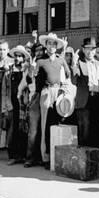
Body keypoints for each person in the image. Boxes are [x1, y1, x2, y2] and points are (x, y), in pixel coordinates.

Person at [36, 33, 71, 168]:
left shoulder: (60, 60)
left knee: (57, 123)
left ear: (57, 47)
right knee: (45, 125)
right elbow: (34, 79)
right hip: (46, 91)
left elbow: (68, 74)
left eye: (54, 44)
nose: (51, 46)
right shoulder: (40, 61)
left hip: (58, 92)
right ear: (46, 45)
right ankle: (45, 157)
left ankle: (57, 155)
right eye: (49, 43)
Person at [2, 45, 31, 165]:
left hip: (23, 104)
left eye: (20, 56)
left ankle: (22, 155)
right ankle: (12, 156)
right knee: (12, 130)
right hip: (12, 104)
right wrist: (5, 106)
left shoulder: (26, 71)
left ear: (24, 58)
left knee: (23, 129)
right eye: (16, 56)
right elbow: (4, 90)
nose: (18, 58)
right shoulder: (8, 71)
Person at [72, 37, 99, 148]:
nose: (90, 51)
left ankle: (94, 160)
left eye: (92, 49)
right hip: (83, 100)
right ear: (83, 49)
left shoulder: (98, 64)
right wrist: (74, 65)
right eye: (87, 49)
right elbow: (74, 81)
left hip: (96, 99)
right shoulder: (78, 63)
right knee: (84, 130)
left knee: (96, 129)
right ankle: (83, 159)